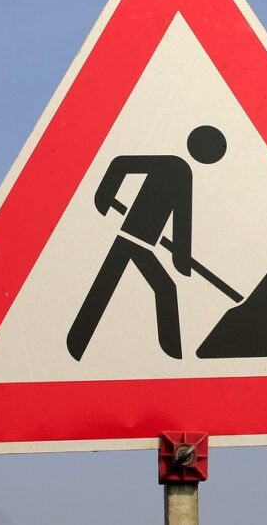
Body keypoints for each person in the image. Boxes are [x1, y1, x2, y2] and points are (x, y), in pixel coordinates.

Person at [66, 125, 227, 361]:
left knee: (107, 287)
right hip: (134, 240)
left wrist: (181, 257)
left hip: (138, 242)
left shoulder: (179, 169)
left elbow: (181, 221)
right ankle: (174, 355)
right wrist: (104, 196)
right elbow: (122, 164)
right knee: (158, 288)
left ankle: (75, 344)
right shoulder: (178, 169)